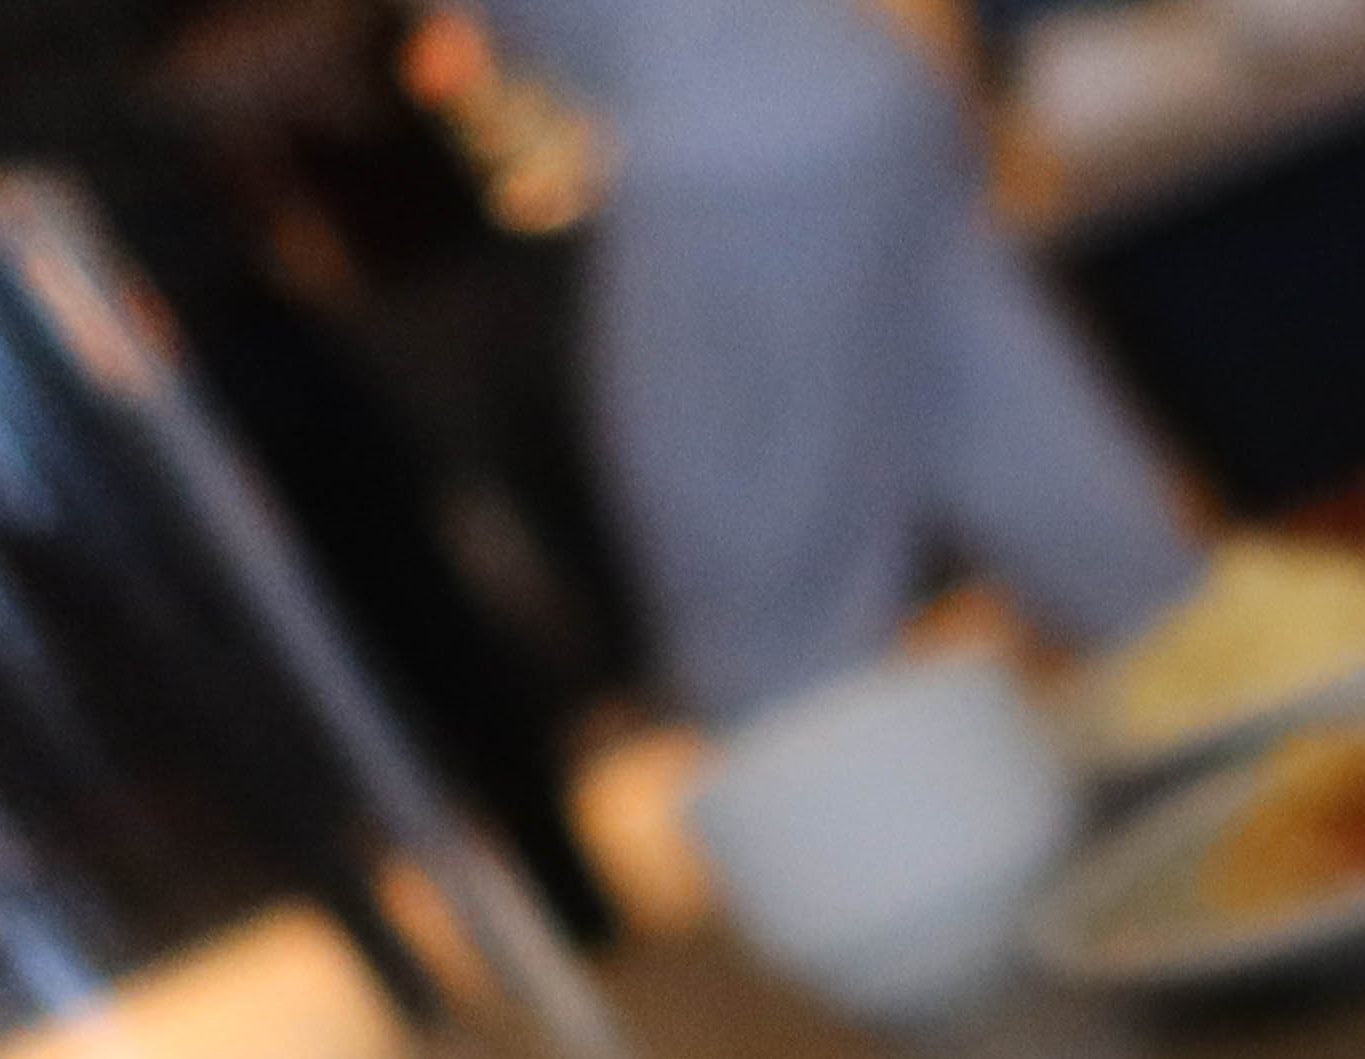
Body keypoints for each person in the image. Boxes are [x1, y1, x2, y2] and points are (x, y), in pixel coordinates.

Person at [467, 0, 1194, 724]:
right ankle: (1214, 689)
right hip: (850, 87)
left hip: (725, 147)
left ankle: (874, 823)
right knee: (1034, 459)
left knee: (759, 611)